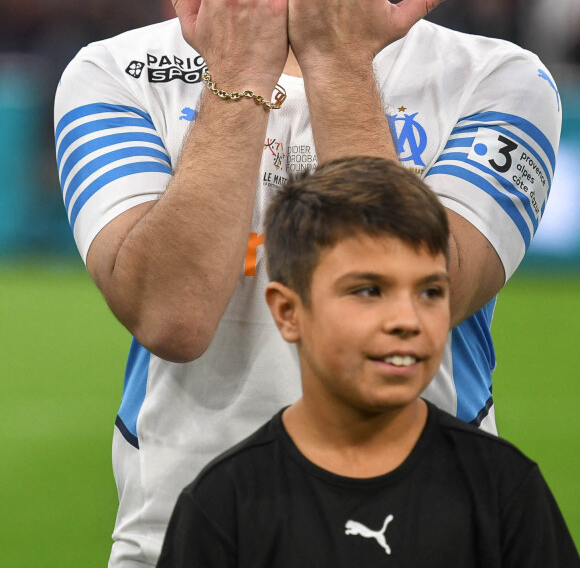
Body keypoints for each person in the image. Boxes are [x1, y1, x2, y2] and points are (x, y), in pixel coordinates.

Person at [53, 0, 561, 568]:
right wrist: (241, 75)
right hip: (185, 534)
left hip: (430, 537)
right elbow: (173, 318)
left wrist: (333, 63)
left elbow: (428, 289)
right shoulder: (115, 72)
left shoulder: (500, 82)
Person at [157, 156, 578, 568]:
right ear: (288, 312)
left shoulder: (504, 487)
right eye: (368, 291)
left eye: (431, 291)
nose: (406, 321)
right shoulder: (224, 502)